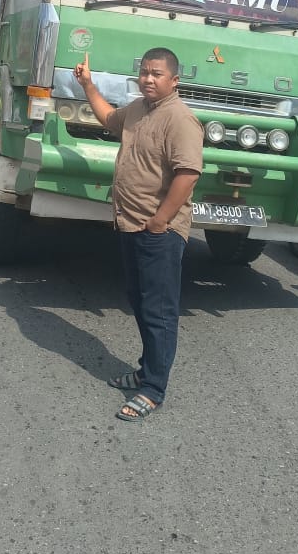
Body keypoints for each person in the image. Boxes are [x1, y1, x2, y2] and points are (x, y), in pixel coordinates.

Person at [74, 46, 203, 423]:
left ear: (174, 80)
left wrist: (161, 220)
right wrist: (88, 86)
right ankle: (147, 371)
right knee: (139, 300)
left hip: (157, 231)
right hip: (130, 224)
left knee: (159, 311)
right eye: (145, 72)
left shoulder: (179, 119)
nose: (148, 78)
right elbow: (108, 117)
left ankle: (154, 389)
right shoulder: (139, 110)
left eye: (157, 74)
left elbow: (188, 174)